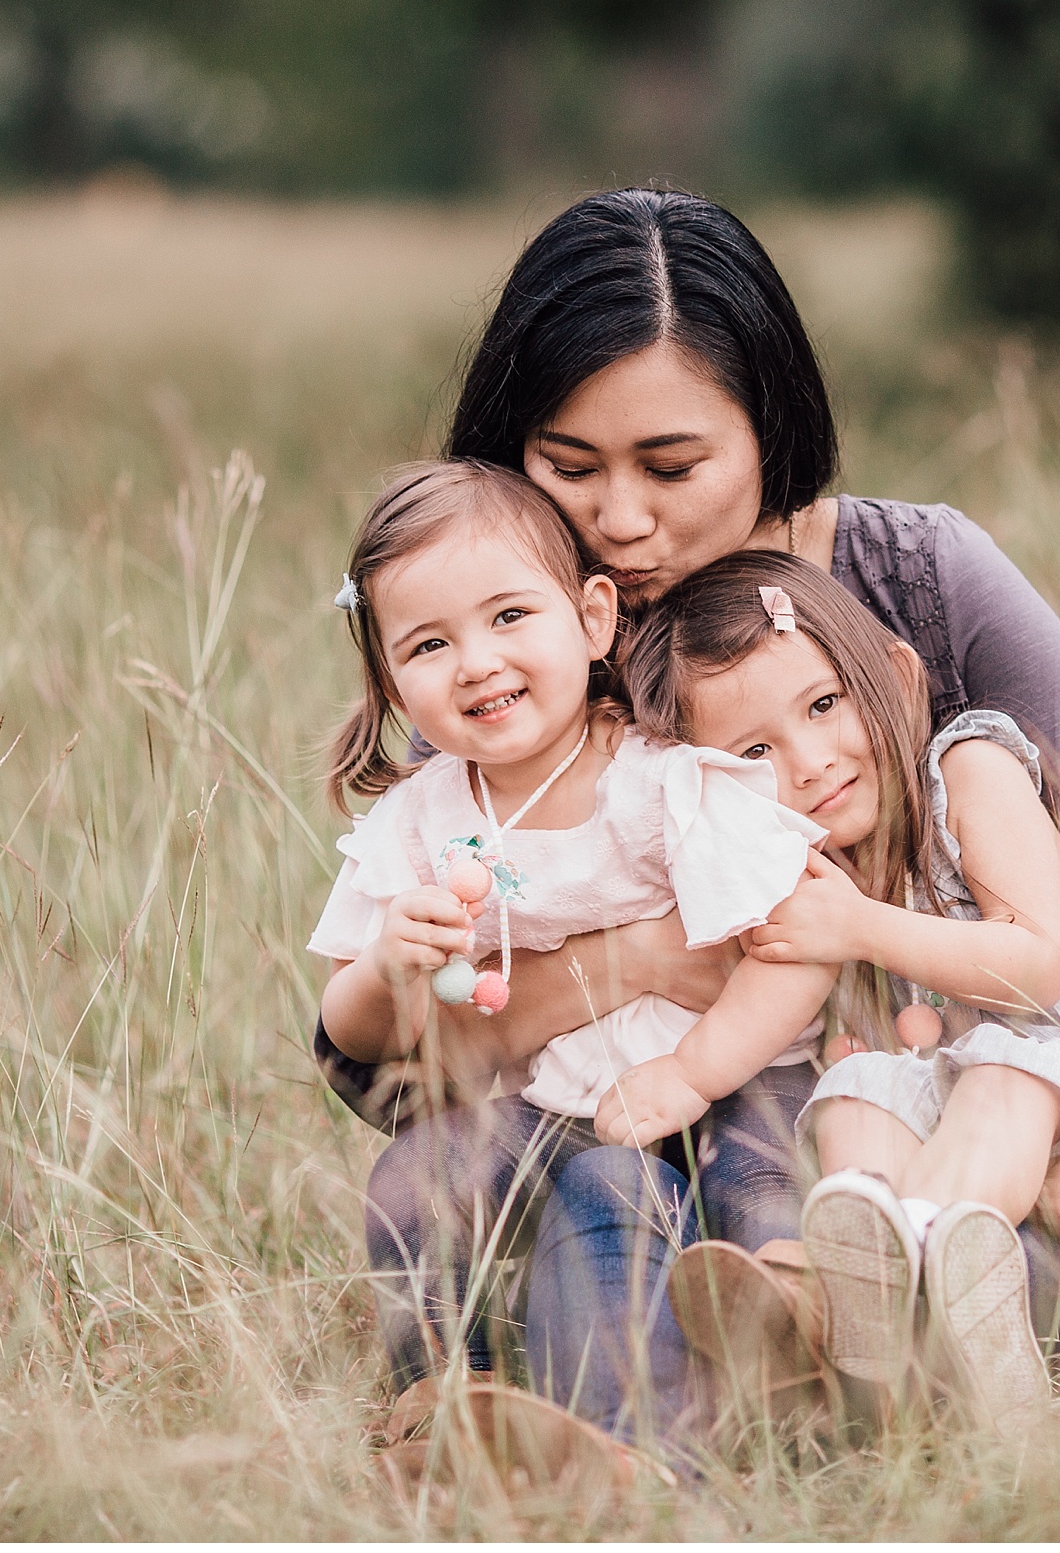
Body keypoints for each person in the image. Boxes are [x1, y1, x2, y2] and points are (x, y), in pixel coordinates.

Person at [314, 186, 1060, 1452]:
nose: (623, 520)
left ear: (772, 424)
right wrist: (639, 964)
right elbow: (401, 1065)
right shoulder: (503, 630)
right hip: (606, 1121)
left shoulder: (918, 580)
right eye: (568, 467)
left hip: (903, 1119)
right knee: (477, 1197)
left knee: (925, 1237)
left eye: (674, 465)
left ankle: (721, 1385)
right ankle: (638, 1422)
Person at [311, 459, 852, 1452]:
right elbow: (351, 1032)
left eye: (509, 616)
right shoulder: (419, 821)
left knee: (738, 1196)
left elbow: (799, 947)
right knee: (415, 1176)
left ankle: (746, 1387)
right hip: (558, 1103)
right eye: (430, 643)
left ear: (594, 618)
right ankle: (449, 1388)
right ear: (391, 680)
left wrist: (694, 1074)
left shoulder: (664, 781)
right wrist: (387, 964)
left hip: (734, 1085)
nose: (475, 661)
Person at [618, 551, 1060, 1430]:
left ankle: (878, 1297)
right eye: (755, 751)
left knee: (1000, 1082)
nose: (811, 760)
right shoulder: (810, 870)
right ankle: (908, 1337)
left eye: (825, 705)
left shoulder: (970, 769)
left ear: (896, 679)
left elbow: (1034, 962)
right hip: (975, 1182)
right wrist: (687, 1072)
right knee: (853, 1096)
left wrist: (859, 928)